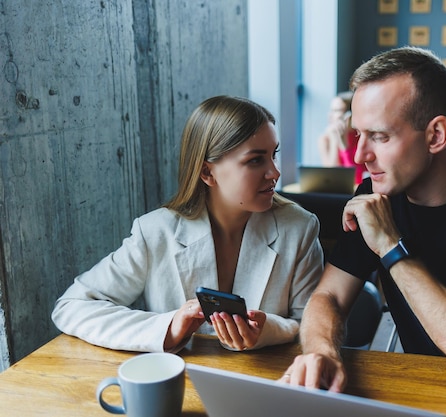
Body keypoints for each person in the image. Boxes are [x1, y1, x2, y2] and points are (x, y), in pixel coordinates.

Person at [282, 47, 446, 390]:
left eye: (379, 136)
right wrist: (323, 352)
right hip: (425, 388)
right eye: (358, 135)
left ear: (436, 135)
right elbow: (329, 298)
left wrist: (390, 246)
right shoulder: (375, 195)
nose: (362, 155)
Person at [52, 95, 324, 353]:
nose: (275, 172)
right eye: (255, 160)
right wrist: (169, 328)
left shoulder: (299, 228)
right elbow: (71, 306)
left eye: (273, 154)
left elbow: (313, 325)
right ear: (207, 172)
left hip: (268, 387)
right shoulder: (155, 233)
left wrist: (267, 331)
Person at [317, 91, 367, 184]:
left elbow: (356, 180)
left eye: (337, 110)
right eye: (331, 110)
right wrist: (335, 140)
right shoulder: (325, 140)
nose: (330, 115)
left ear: (350, 115)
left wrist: (344, 146)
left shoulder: (362, 138)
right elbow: (331, 178)